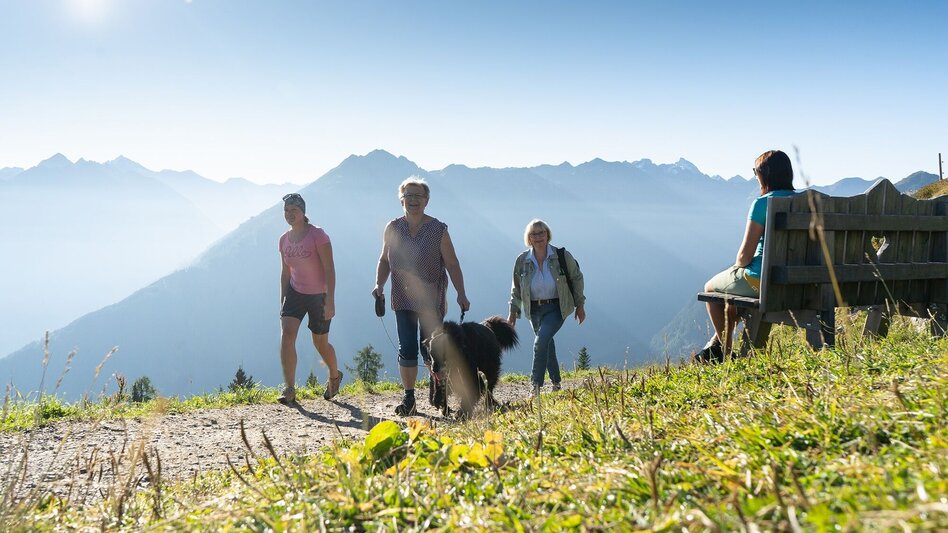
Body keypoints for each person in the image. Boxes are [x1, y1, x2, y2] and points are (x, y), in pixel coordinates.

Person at [373, 176, 471, 416]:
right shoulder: (393, 228)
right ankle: (409, 398)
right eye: (408, 196)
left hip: (431, 300)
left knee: (431, 350)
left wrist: (461, 293)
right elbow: (385, 259)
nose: (413, 200)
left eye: (418, 196)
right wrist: (379, 284)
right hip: (402, 298)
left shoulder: (438, 229)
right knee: (406, 349)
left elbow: (452, 263)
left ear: (426, 201)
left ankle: (438, 393)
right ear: (401, 200)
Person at [696, 149, 797, 362]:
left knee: (710, 288)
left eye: (756, 172)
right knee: (734, 297)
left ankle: (724, 351)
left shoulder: (762, 204)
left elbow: (744, 257)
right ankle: (715, 347)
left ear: (764, 175)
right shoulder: (807, 201)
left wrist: (737, 268)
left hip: (762, 281)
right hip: (800, 282)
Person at [507, 219, 585, 396]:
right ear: (529, 238)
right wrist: (513, 312)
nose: (538, 236)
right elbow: (516, 288)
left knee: (540, 342)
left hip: (556, 308)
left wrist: (580, 304)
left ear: (548, 235)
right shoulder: (522, 260)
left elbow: (577, 279)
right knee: (546, 344)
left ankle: (535, 385)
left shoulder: (561, 256)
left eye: (542, 233)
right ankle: (556, 382)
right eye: (534, 234)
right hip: (533, 310)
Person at [277, 193, 343, 404]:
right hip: (295, 293)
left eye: (293, 210)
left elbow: (330, 269)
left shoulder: (318, 235)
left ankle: (334, 376)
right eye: (286, 211)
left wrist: (330, 300)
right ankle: (289, 389)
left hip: (319, 296)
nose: (289, 214)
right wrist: (283, 297)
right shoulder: (284, 239)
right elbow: (285, 272)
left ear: (303, 212)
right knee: (287, 336)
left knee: (320, 343)